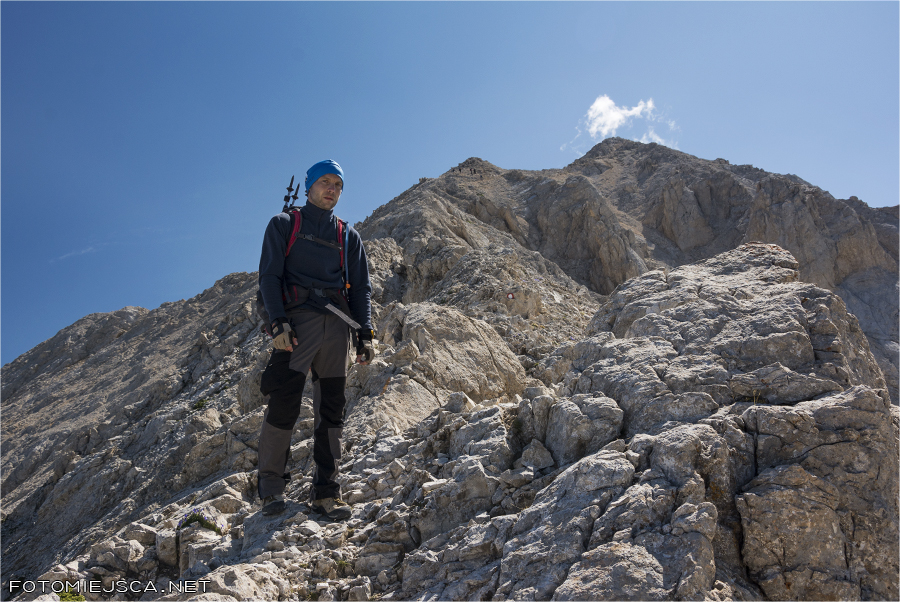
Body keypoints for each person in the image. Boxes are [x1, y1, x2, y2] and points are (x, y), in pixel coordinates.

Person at [256, 159, 374, 520]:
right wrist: (278, 323)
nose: (332, 189)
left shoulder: (348, 236)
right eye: (325, 182)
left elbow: (361, 288)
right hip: (296, 326)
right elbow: (269, 277)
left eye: (338, 185)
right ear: (308, 186)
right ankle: (271, 490)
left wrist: (365, 333)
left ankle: (326, 492)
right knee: (284, 402)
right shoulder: (283, 224)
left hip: (337, 327)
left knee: (332, 410)